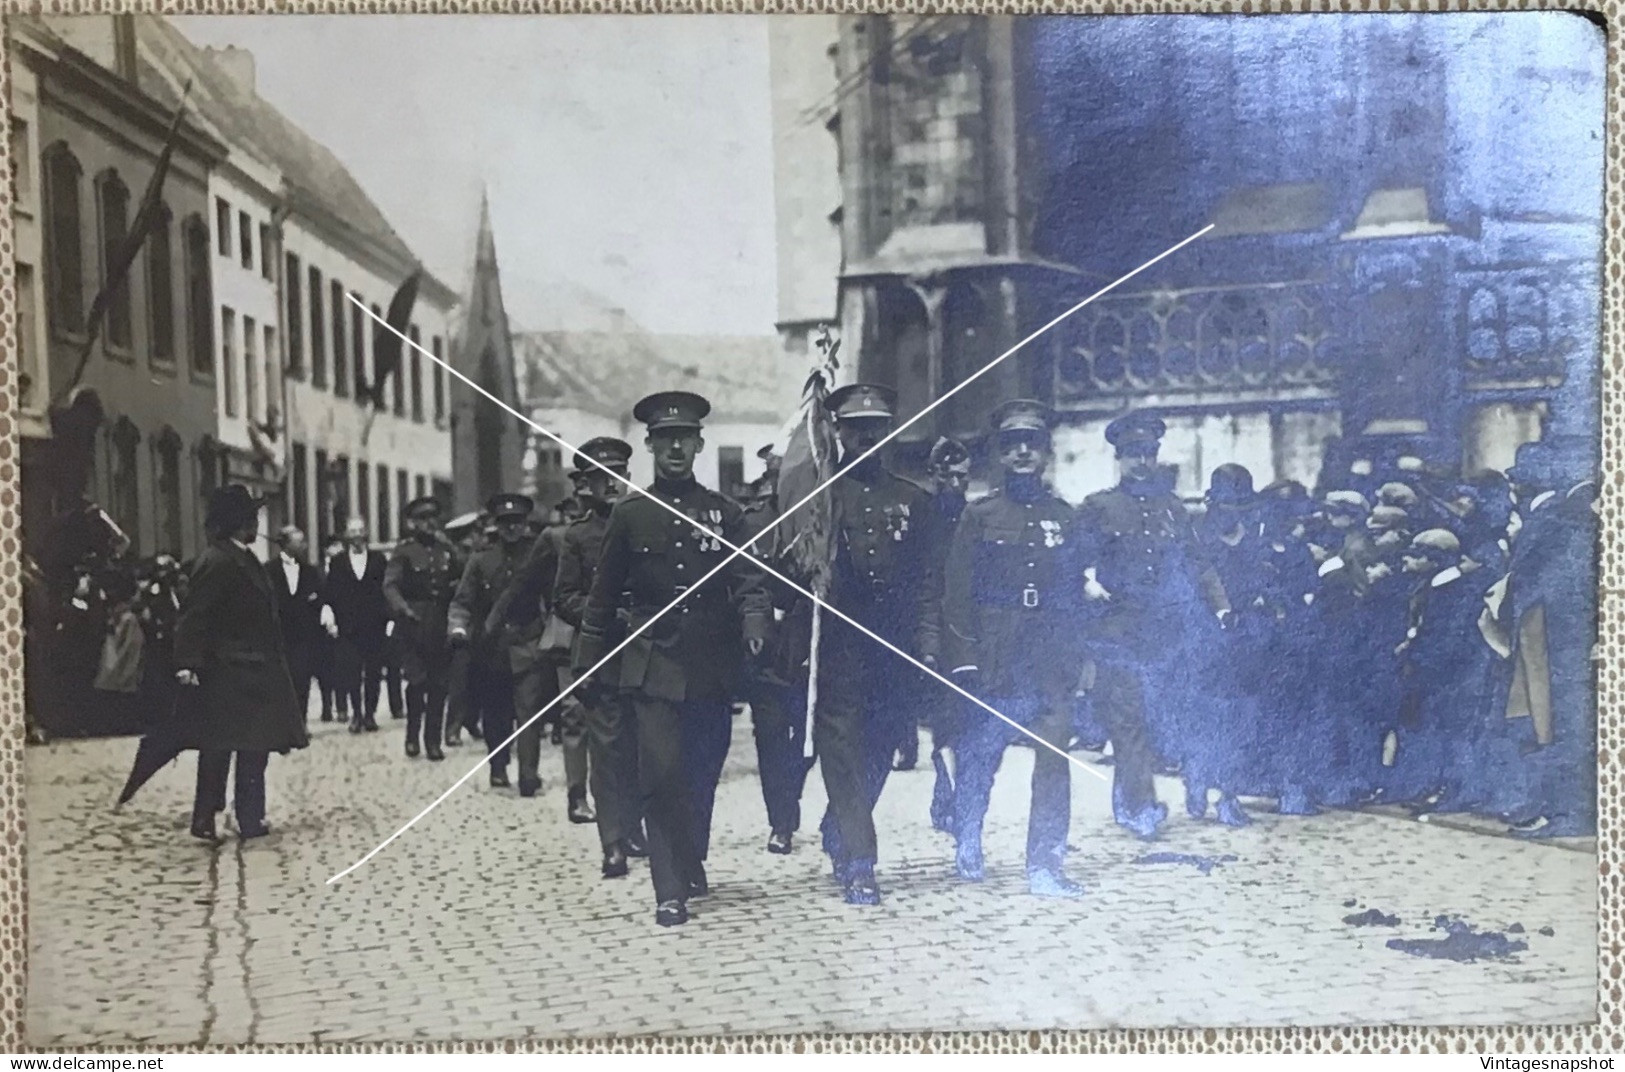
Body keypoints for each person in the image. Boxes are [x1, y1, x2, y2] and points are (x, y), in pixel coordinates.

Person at [572, 391, 770, 927]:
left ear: (699, 445)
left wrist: (754, 626)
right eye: (665, 440)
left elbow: (750, 581)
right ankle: (668, 888)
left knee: (701, 773)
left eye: (685, 439)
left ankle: (688, 855)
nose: (676, 448)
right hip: (651, 664)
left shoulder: (724, 514)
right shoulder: (631, 515)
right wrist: (587, 665)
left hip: (711, 666)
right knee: (660, 773)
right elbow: (602, 597)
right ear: (652, 446)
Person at [943, 400, 1085, 898]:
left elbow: (1074, 595)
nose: (1023, 452)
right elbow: (957, 595)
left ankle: (1045, 864)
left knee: (1053, 761)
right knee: (981, 755)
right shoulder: (979, 516)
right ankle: (968, 833)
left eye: (1032, 444)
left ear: (1046, 453)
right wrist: (964, 658)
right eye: (1012, 445)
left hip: (1048, 660)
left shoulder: (1066, 518)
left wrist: (1079, 661)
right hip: (995, 658)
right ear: (999, 455)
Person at [811, 383, 944, 906]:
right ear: (838, 432)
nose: (865, 437)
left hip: (894, 644)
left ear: (887, 432)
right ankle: (861, 860)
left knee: (882, 744)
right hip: (839, 645)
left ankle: (838, 822)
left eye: (875, 428)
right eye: (855, 428)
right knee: (841, 749)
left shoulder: (912, 499)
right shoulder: (820, 499)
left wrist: (928, 642)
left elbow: (929, 579)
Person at [1074, 412, 1230, 840]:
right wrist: (1085, 584)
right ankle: (1142, 805)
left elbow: (1197, 563)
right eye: (1132, 455)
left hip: (1163, 633)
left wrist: (1220, 607)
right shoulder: (1098, 507)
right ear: (1119, 459)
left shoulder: (1172, 509)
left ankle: (1129, 798)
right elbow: (1072, 561)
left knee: (1157, 717)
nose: (1141, 463)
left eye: (1148, 454)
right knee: (1128, 719)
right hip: (1117, 632)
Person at [173, 485, 308, 843]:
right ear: (236, 521)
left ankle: (249, 817)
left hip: (251, 670)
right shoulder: (217, 561)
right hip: (228, 671)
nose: (256, 523)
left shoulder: (242, 557)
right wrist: (188, 663)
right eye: (251, 517)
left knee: (254, 747)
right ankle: (206, 817)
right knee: (220, 747)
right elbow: (194, 615)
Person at [554, 440, 648, 876]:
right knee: (608, 750)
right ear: (587, 485)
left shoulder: (646, 522)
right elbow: (564, 598)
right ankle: (612, 842)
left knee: (643, 747)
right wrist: (606, 616)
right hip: (601, 655)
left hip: (647, 655)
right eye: (601, 477)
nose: (611, 483)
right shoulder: (577, 536)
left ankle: (634, 826)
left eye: (618, 474)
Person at [739, 450, 815, 857]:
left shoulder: (818, 517)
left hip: (810, 645)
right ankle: (781, 821)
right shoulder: (751, 523)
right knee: (770, 738)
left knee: (808, 739)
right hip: (767, 647)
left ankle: (791, 798)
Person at [449, 493, 536, 789]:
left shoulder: (538, 555)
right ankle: (498, 764)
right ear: (496, 526)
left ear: (526, 524)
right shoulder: (481, 559)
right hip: (492, 647)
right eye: (505, 523)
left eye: (517, 522)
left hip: (528, 642)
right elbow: (463, 600)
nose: (512, 529)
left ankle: (528, 771)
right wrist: (458, 627)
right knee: (496, 712)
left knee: (528, 711)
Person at [384, 497, 459, 761]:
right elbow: (391, 585)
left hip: (440, 625)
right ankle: (412, 735)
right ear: (413, 523)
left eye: (432, 519)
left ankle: (433, 741)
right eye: (423, 520)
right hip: (412, 626)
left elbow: (462, 577)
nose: (429, 524)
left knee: (439, 686)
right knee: (417, 683)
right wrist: (403, 609)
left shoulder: (445, 549)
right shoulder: (404, 551)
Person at [321, 519, 389, 733]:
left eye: (361, 531)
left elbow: (385, 591)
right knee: (350, 672)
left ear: (366, 534)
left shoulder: (379, 560)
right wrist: (330, 618)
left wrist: (388, 620)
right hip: (348, 626)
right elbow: (331, 592)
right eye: (353, 532)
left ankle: (370, 714)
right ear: (347, 536)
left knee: (373, 673)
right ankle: (356, 713)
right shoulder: (338, 562)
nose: (357, 535)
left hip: (374, 625)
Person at [268, 527, 324, 724]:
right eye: (299, 541)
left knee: (302, 679)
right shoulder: (269, 571)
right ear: (286, 544)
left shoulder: (310, 572)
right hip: (279, 635)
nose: (304, 546)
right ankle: (283, 724)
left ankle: (301, 721)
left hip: (303, 635)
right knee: (282, 681)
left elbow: (319, 599)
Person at [441, 513, 485, 746]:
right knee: (460, 678)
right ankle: (453, 727)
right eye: (475, 533)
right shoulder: (456, 558)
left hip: (480, 622)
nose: (478, 537)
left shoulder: (478, 555)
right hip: (461, 625)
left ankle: (470, 721)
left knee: (477, 677)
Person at [315, 536, 345, 722]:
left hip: (342, 625)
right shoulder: (316, 571)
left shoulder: (344, 569)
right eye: (335, 546)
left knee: (341, 668)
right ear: (327, 549)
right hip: (320, 628)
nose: (339, 550)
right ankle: (327, 706)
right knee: (323, 670)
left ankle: (342, 707)